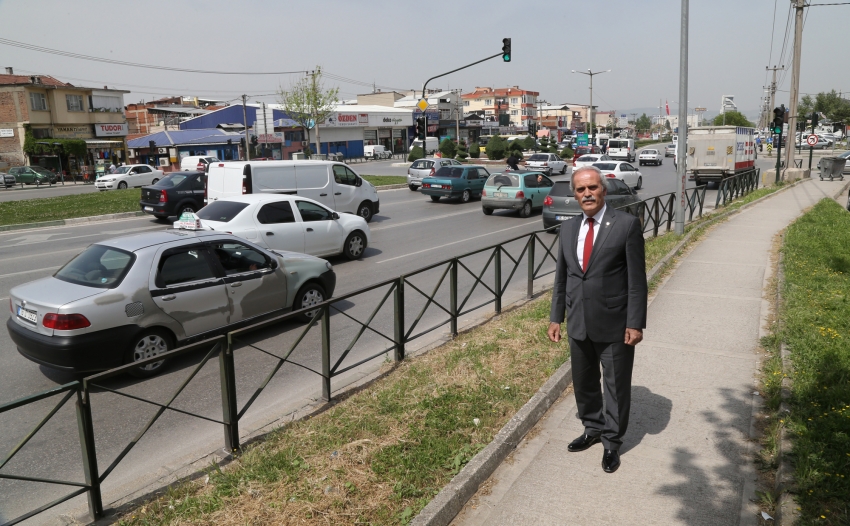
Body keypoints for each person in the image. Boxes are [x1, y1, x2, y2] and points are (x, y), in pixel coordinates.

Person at [547, 165, 648, 474]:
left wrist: (635, 322)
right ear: (575, 194)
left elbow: (636, 281)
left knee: (616, 386)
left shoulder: (627, 225)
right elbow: (562, 278)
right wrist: (556, 318)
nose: (587, 193)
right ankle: (592, 428)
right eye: (581, 189)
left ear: (603, 190)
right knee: (584, 383)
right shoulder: (567, 229)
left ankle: (611, 443)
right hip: (579, 320)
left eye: (592, 187)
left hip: (616, 324)